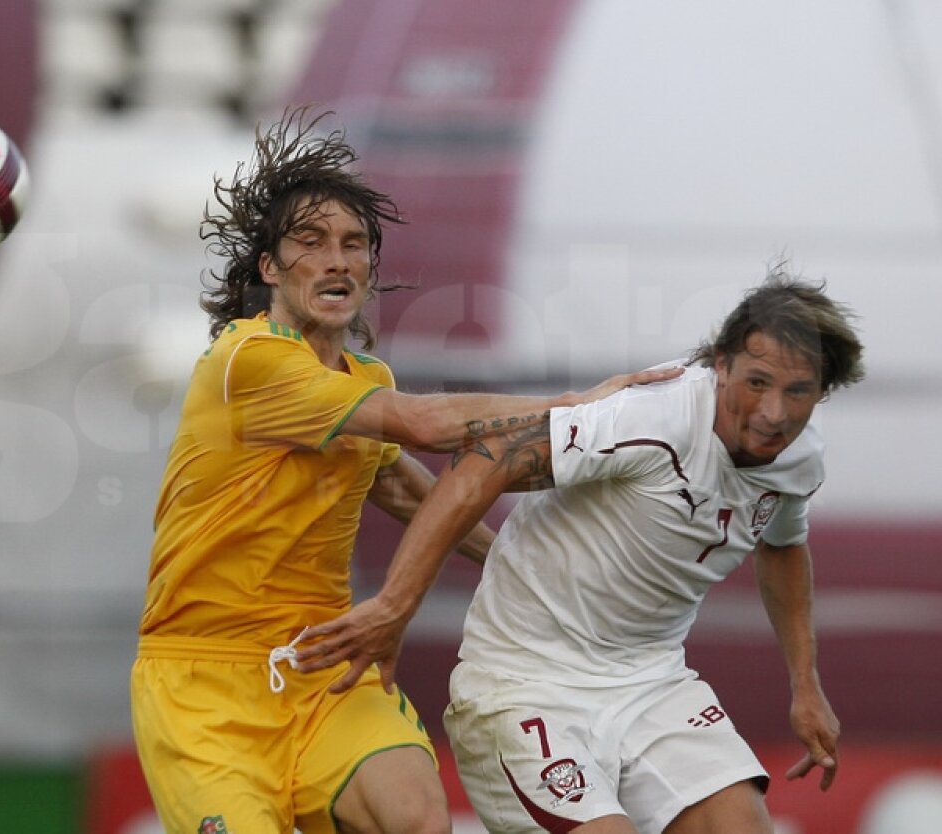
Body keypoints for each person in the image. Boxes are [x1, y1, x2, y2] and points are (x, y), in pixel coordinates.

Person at [129, 105, 679, 834]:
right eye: (311, 242)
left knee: (417, 816)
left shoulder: (365, 377)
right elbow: (428, 426)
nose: (337, 259)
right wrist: (577, 405)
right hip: (205, 682)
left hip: (325, 660)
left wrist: (512, 564)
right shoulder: (248, 359)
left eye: (354, 244)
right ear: (269, 269)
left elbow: (398, 485)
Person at [296, 270, 865, 834]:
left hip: (653, 683)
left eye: (798, 392)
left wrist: (805, 684)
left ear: (823, 391)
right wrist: (395, 604)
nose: (773, 413)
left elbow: (783, 546)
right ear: (722, 363)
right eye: (757, 382)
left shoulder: (799, 458)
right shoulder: (652, 416)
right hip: (524, 684)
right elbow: (488, 457)